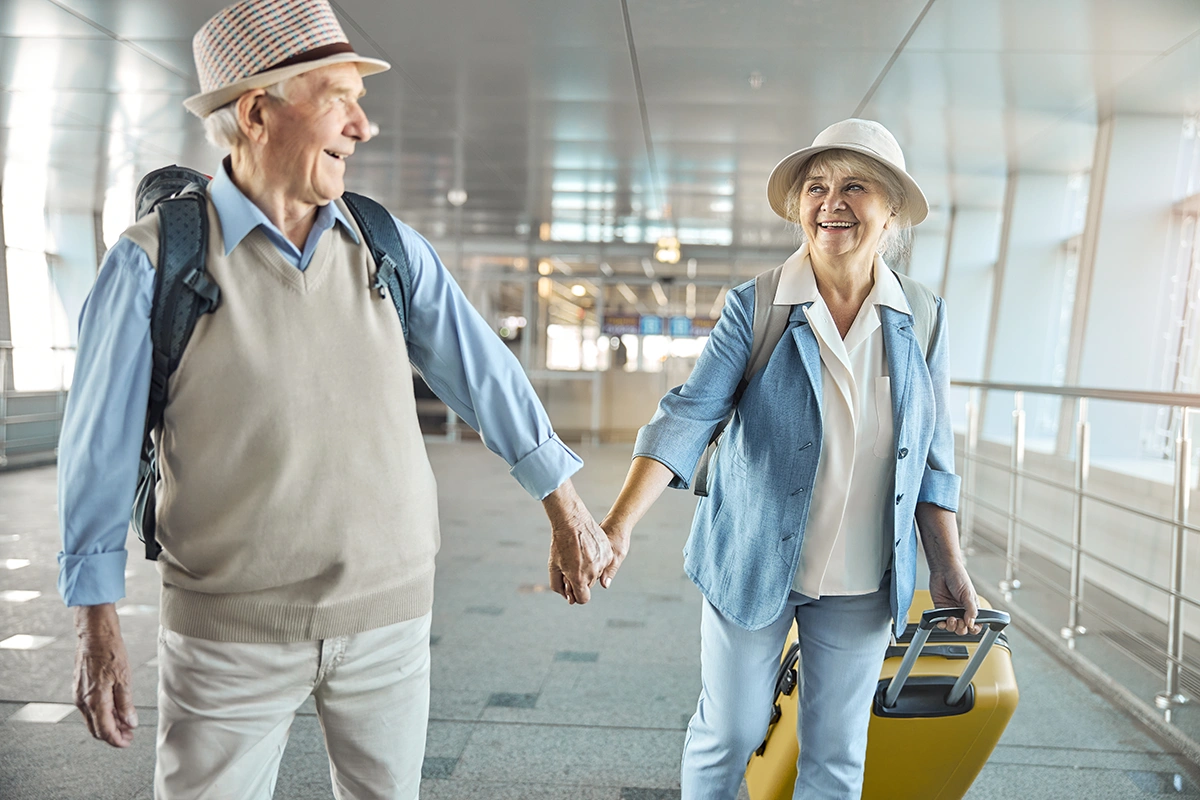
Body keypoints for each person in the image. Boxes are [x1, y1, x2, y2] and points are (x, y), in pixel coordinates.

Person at [56, 1, 610, 796]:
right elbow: (96, 449)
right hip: (229, 638)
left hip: (389, 622)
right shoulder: (155, 264)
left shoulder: (384, 243)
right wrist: (97, 623)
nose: (363, 127)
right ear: (256, 112)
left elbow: (483, 371)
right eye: (338, 99)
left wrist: (564, 506)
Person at [596, 119, 980, 799]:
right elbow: (689, 414)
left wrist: (948, 564)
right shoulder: (759, 305)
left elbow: (932, 454)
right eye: (816, 186)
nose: (831, 202)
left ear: (890, 211)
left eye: (854, 186)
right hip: (752, 558)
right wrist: (620, 521)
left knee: (837, 751)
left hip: (862, 576)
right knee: (733, 729)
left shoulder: (923, 316)